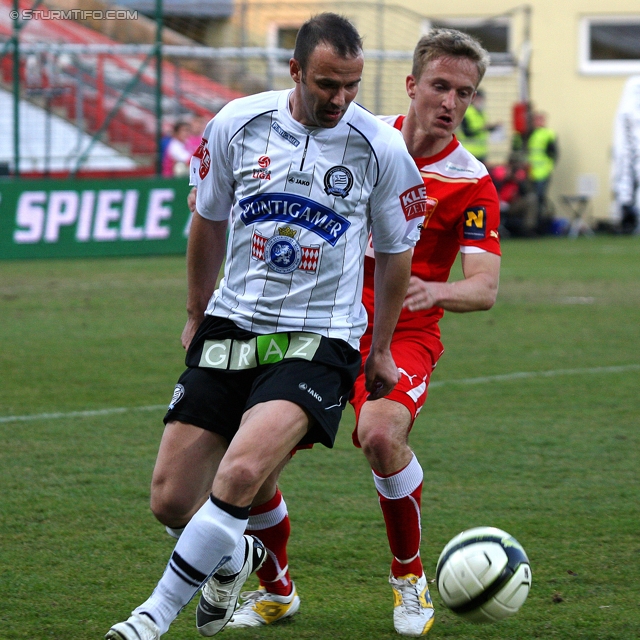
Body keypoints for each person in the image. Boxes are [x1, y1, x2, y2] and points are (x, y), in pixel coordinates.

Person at [105, 12, 426, 640]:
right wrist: (197, 312)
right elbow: (207, 219)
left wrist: (380, 347)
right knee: (171, 501)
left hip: (320, 339)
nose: (340, 100)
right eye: (327, 84)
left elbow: (395, 256)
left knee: (243, 475)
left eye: (352, 86)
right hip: (233, 325)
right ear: (295, 70)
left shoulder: (380, 148)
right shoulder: (236, 123)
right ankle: (239, 555)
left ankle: (152, 617)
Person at [227, 28, 502, 638]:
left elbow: (484, 287)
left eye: (465, 92)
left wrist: (437, 290)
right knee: (253, 459)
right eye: (440, 86)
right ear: (411, 84)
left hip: (403, 334)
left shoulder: (471, 181)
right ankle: (276, 591)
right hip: (321, 322)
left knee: (379, 434)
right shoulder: (360, 139)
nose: (451, 102)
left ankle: (408, 576)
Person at [512, 111, 558, 233]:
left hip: (541, 173)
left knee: (539, 200)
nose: (539, 122)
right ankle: (531, 225)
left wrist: (548, 168)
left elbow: (554, 153)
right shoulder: (527, 134)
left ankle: (538, 226)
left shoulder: (548, 134)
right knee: (532, 200)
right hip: (529, 174)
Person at [456, 88, 500, 164]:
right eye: (480, 99)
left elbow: (483, 129)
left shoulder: (482, 113)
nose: (482, 102)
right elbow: (467, 132)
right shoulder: (467, 112)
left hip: (481, 153)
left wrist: (493, 127)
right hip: (468, 152)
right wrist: (484, 128)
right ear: (474, 99)